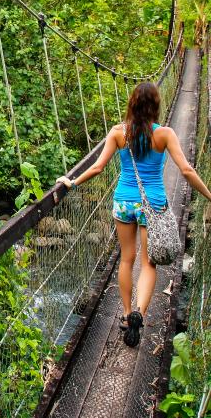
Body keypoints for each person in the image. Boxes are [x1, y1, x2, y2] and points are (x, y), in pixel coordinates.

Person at [56, 82, 211, 347]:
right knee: (148, 263)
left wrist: (72, 182)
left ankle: (127, 315)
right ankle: (141, 311)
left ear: (132, 104)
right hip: (153, 204)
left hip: (124, 203)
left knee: (126, 260)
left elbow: (97, 168)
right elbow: (186, 170)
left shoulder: (118, 132)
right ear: (156, 106)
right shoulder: (165, 134)